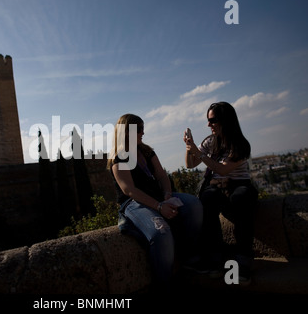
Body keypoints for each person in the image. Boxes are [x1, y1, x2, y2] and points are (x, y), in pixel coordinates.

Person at [107, 113, 204, 288]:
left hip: (159, 196)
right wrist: (159, 207)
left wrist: (167, 194)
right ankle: (165, 284)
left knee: (194, 205)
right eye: (139, 129)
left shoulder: (146, 151)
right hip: (134, 203)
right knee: (161, 233)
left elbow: (161, 175)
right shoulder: (119, 157)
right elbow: (129, 190)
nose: (143, 133)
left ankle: (189, 257)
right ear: (126, 131)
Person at [184, 101, 258, 284]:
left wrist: (199, 154)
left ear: (226, 120)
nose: (209, 125)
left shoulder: (240, 144)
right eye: (208, 120)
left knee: (240, 199)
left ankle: (243, 260)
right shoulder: (210, 142)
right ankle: (215, 258)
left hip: (239, 186)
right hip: (218, 188)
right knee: (207, 199)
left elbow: (223, 169)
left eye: (213, 120)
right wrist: (189, 147)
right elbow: (190, 164)